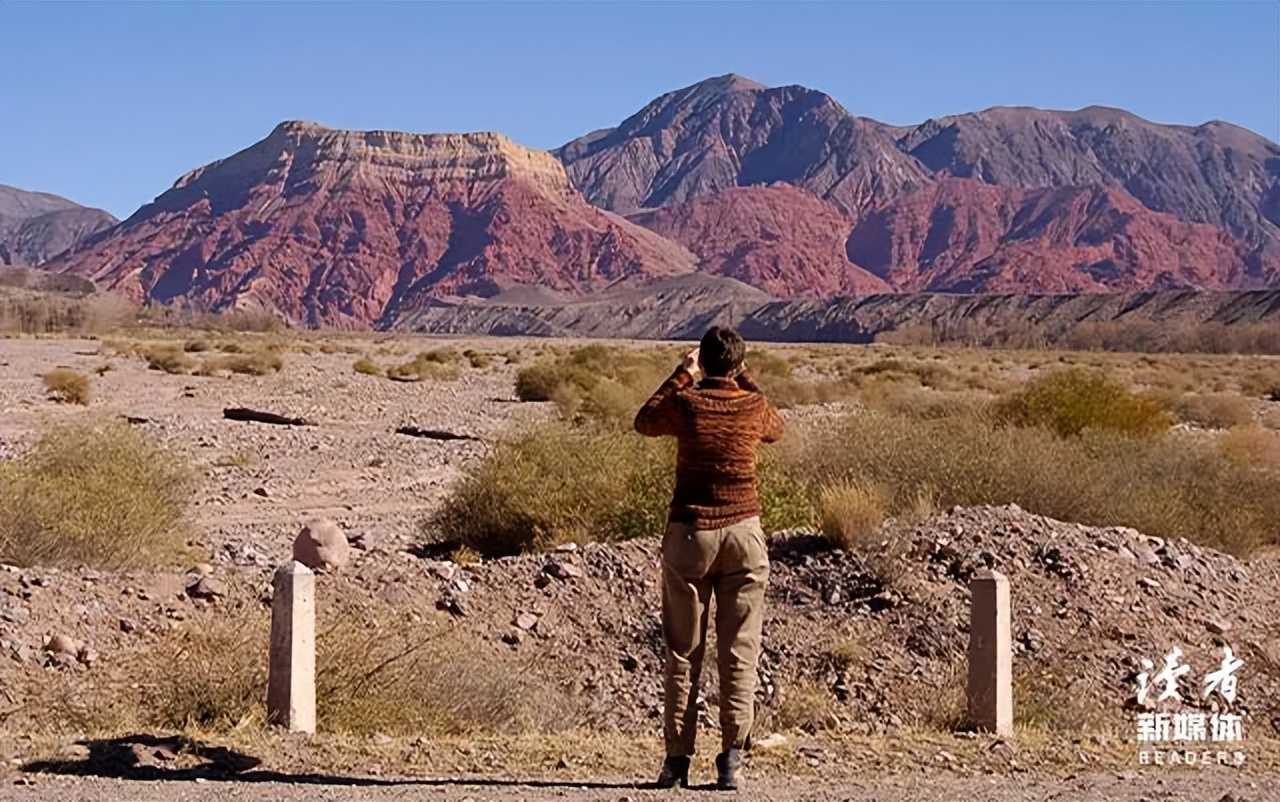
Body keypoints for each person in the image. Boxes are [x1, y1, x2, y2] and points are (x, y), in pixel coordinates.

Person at [633, 325, 784, 790]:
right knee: (740, 650)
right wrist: (747, 378)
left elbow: (645, 420)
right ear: (737, 364)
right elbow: (777, 428)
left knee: (683, 652)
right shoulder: (752, 405)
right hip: (744, 535)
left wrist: (682, 372)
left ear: (705, 361)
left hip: (691, 534)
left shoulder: (687, 402)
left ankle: (676, 762)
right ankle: (732, 761)